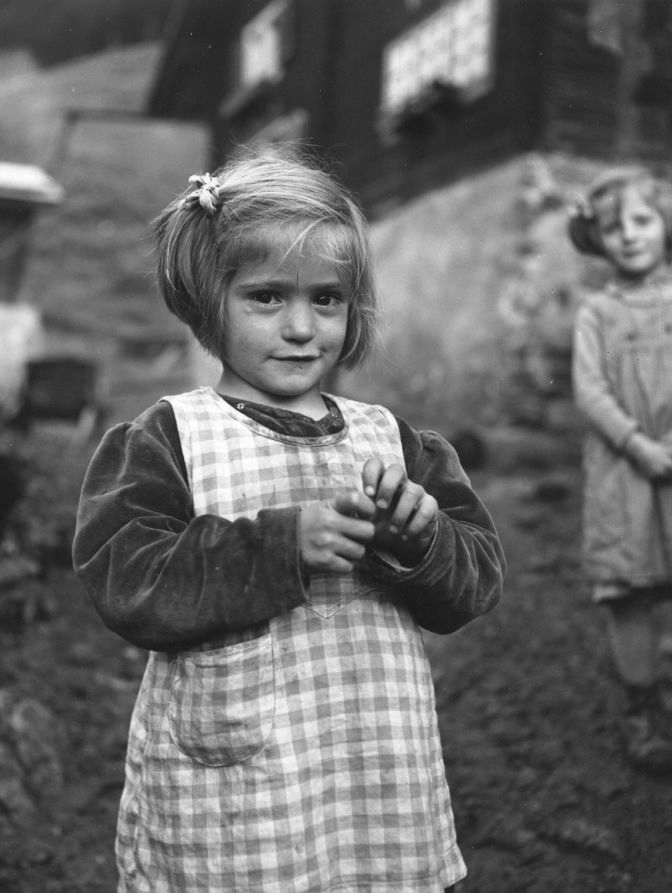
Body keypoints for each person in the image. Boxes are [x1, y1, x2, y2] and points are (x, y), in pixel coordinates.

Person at [73, 146, 505, 892]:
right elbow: (128, 580)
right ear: (211, 300)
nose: (302, 328)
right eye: (267, 297)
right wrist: (282, 545)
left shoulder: (393, 440)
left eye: (327, 299)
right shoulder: (168, 436)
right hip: (241, 794)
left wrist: (421, 537)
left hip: (372, 779)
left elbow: (476, 580)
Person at [568, 166, 672, 773]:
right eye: (611, 226)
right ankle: (643, 711)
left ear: (667, 225)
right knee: (627, 590)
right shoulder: (598, 312)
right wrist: (638, 444)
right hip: (627, 467)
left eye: (641, 220)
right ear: (597, 238)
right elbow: (590, 389)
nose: (627, 235)